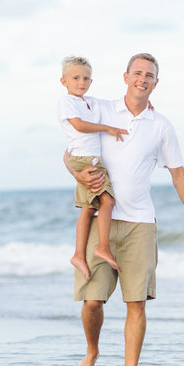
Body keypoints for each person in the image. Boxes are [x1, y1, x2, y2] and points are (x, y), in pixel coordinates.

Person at [64, 53, 184, 366]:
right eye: (138, 73)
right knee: (92, 301)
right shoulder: (100, 109)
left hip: (141, 223)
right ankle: (92, 354)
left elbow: (179, 174)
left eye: (150, 75)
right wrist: (73, 169)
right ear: (125, 77)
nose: (143, 79)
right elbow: (71, 147)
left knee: (135, 303)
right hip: (101, 218)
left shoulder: (161, 126)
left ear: (157, 82)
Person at [58, 56, 128, 279]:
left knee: (89, 209)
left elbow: (118, 104)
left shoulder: (90, 102)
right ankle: (103, 247)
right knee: (107, 201)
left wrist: (146, 104)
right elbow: (78, 125)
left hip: (89, 159)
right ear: (64, 81)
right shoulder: (67, 101)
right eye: (76, 78)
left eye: (86, 78)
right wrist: (107, 128)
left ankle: (78, 254)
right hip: (85, 160)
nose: (81, 82)